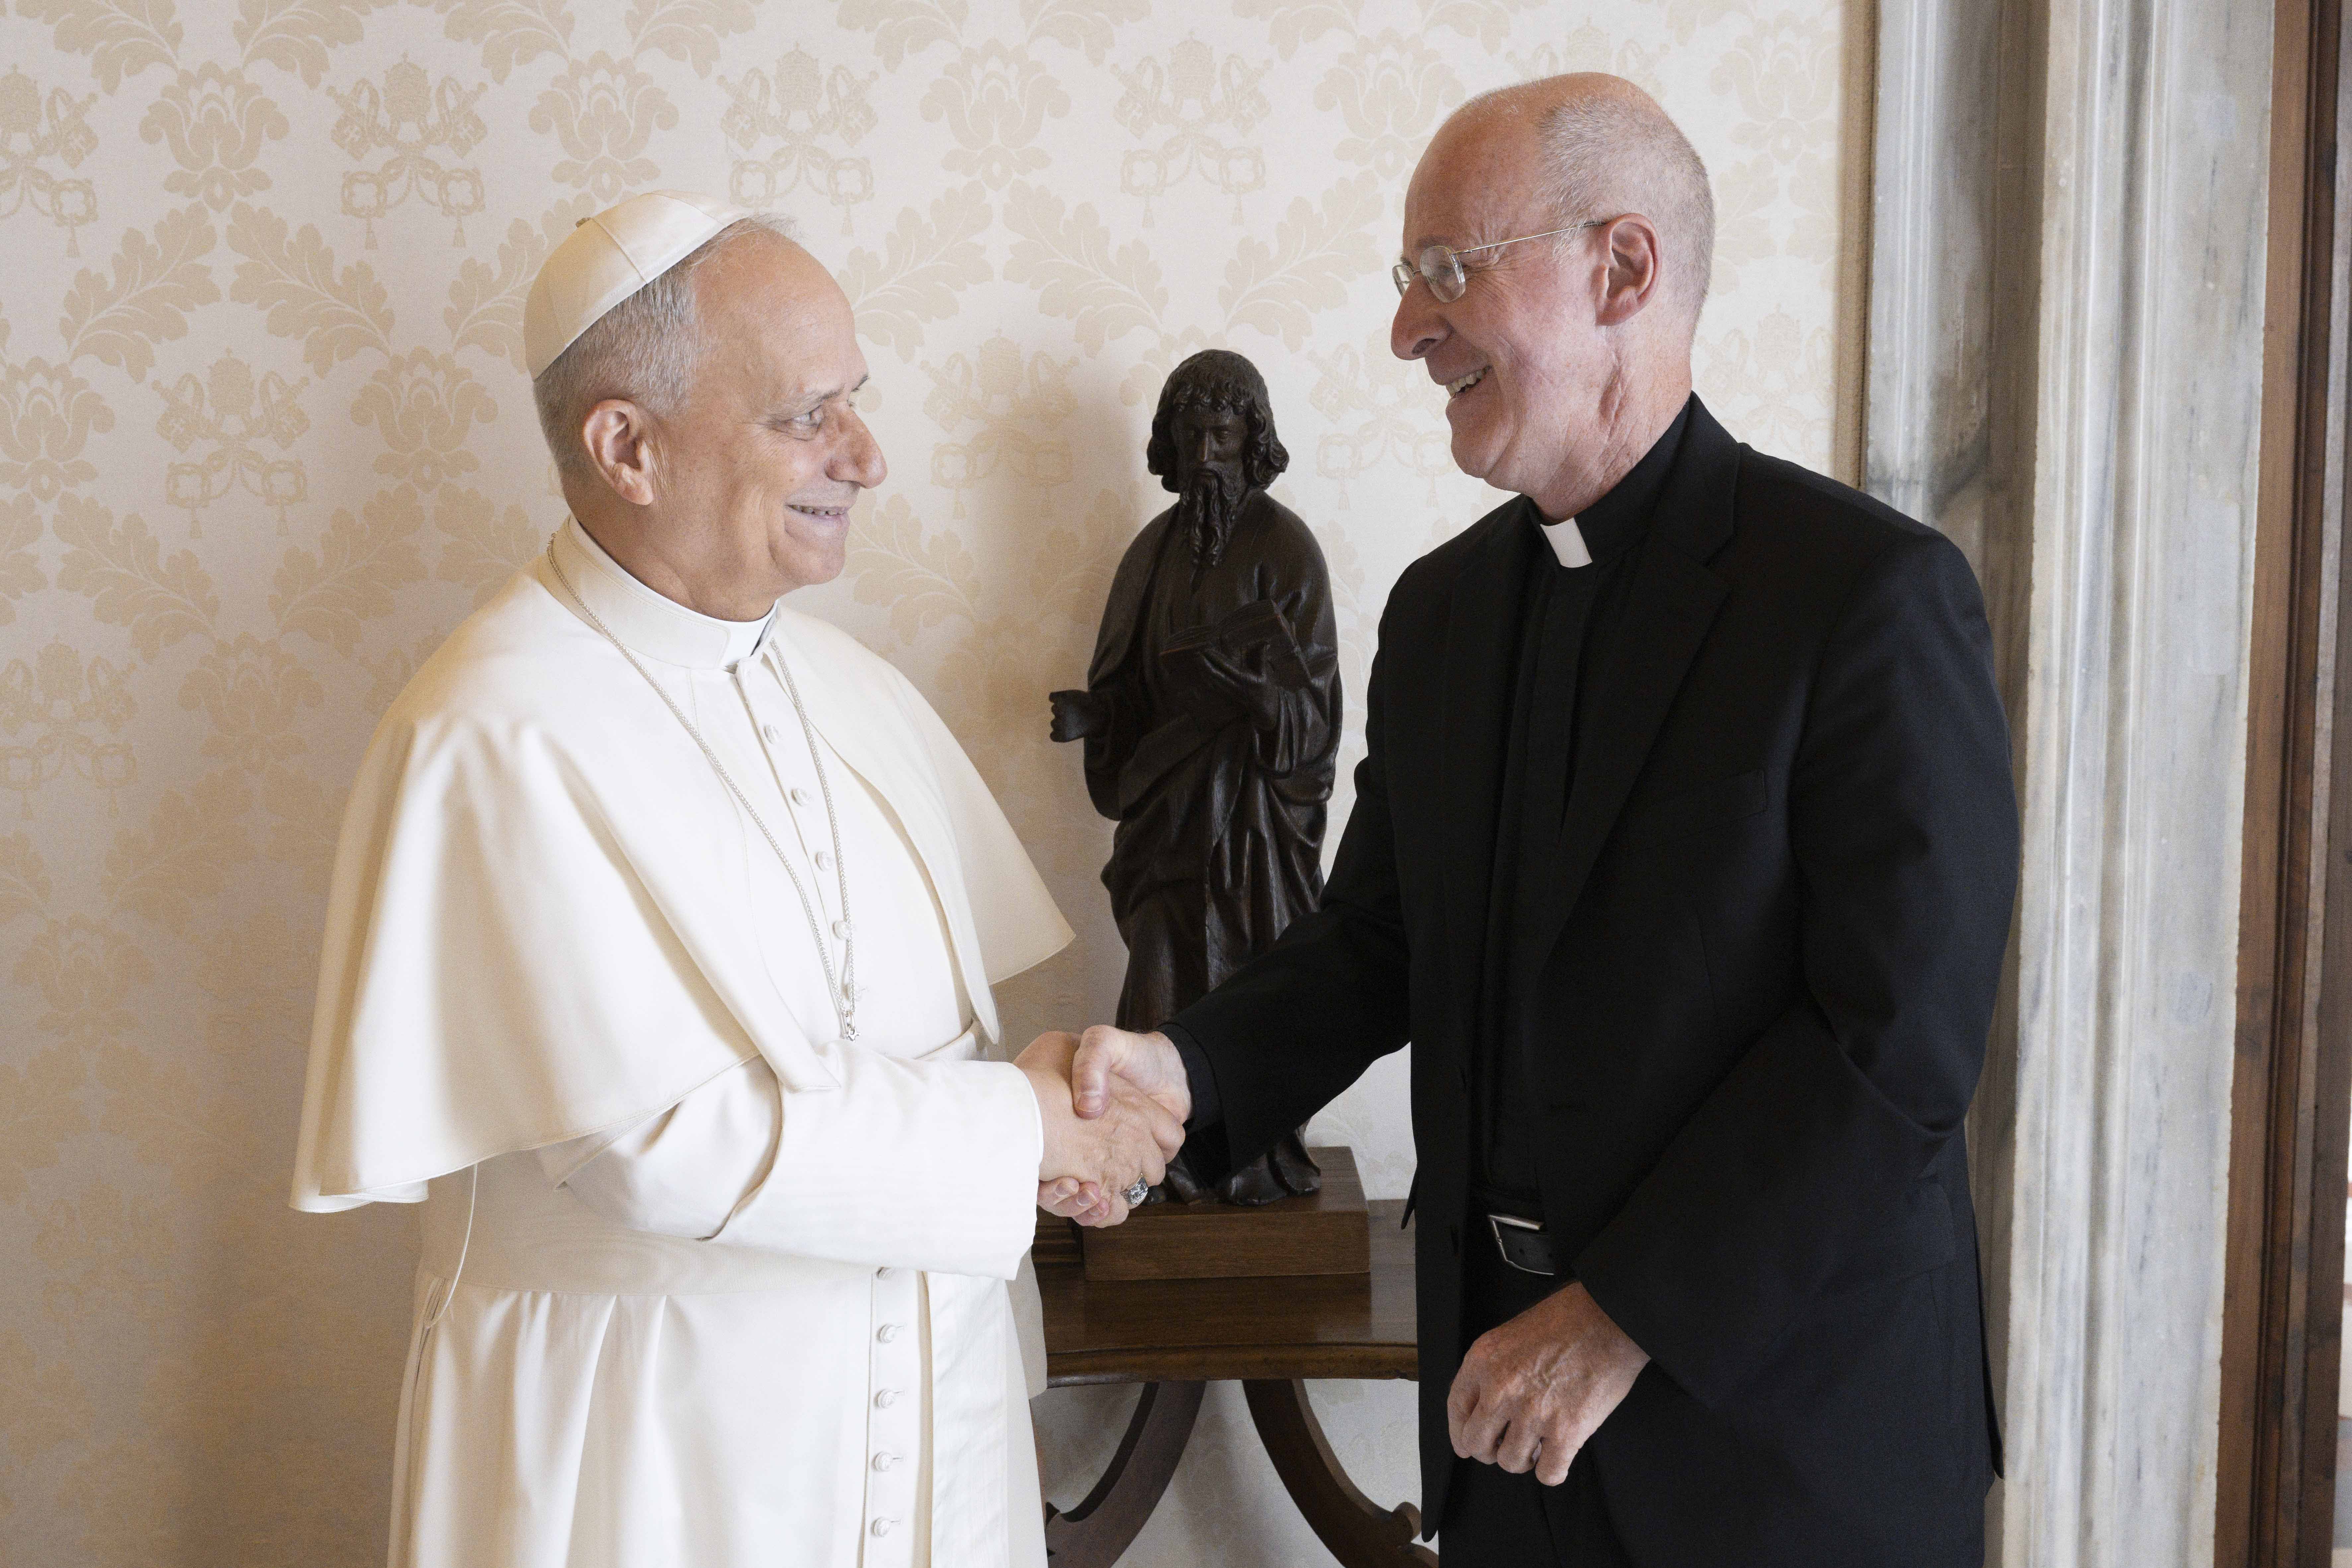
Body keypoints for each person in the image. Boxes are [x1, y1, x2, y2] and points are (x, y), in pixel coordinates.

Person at [1051, 76, 2018, 1567]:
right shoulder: (1441, 614)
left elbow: (1895, 1046)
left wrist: (1617, 1318)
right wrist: (1182, 1070)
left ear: (1621, 269)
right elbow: (1374, 943)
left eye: (1446, 269)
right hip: (1505, 1426)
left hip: (1784, 1443)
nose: (1405, 330)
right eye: (1406, 277)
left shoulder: (1864, 598)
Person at [289, 191, 1178, 1568]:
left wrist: (1050, 1096)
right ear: (626, 448)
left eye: (854, 403)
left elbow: (911, 1051)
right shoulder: (492, 733)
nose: (865, 457)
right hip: (655, 1465)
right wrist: (1024, 1132)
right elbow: (652, 1144)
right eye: (805, 416)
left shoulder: (854, 688)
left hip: (938, 1431)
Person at [1048, 348, 1340, 1204]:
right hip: (1168, 821)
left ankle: (1253, 1155)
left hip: (1253, 830)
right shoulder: (1150, 554)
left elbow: (1315, 712)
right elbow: (1128, 686)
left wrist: (1256, 700)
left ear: (1254, 440)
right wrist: (1093, 717)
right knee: (1160, 976)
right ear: (1170, 446)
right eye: (1193, 438)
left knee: (1255, 978)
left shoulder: (1287, 550)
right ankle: (1146, 1157)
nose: (1208, 457)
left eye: (1224, 436)